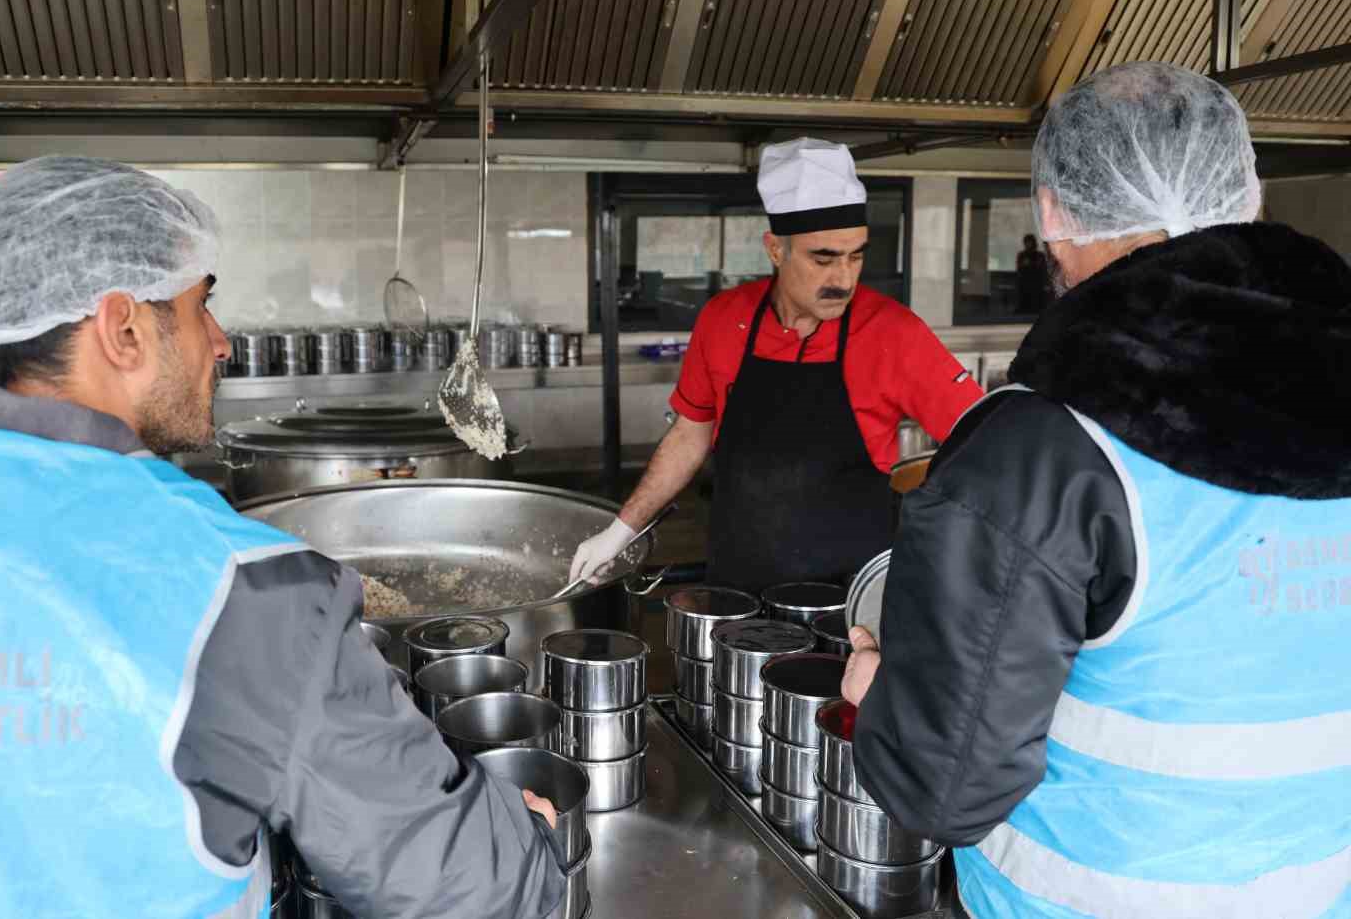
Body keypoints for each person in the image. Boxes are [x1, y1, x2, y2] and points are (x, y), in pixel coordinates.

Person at [0, 157, 566, 919]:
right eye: (200, 302)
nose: (220, 341)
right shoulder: (237, 583)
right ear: (123, 329)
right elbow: (462, 887)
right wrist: (528, 842)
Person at [841, 62, 1351, 918]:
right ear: (1246, 194)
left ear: (1053, 210)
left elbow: (943, 790)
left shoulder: (1045, 447)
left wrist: (877, 690)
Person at [569, 138, 984, 591]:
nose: (843, 279)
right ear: (775, 249)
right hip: (738, 595)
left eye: (856, 255)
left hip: (849, 611)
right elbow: (691, 433)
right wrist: (620, 531)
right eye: (823, 258)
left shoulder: (894, 333)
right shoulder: (724, 319)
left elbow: (986, 442)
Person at [1014, 233, 1046, 312]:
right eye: (1027, 242)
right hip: (1025, 281)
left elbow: (1042, 268)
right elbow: (1020, 267)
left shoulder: (1040, 255)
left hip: (1036, 282)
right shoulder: (1022, 255)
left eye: (1030, 242)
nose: (1028, 244)